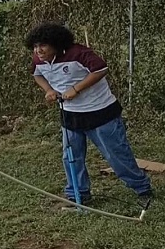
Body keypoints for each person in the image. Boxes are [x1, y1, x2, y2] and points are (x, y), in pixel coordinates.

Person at [25, 22, 154, 209]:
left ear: (56, 43)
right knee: (71, 156)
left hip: (101, 113)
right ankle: (78, 194)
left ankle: (143, 190)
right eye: (35, 46)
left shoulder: (78, 53)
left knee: (116, 154)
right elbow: (37, 74)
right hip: (70, 115)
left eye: (43, 45)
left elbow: (101, 69)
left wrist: (76, 89)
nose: (38, 50)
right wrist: (48, 90)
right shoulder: (39, 60)